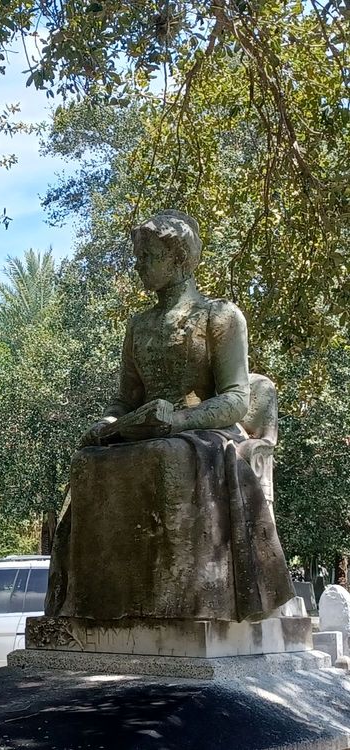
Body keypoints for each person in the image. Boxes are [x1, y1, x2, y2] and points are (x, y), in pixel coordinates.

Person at [45, 210, 294, 622]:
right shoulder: (138, 325)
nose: (138, 265)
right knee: (86, 463)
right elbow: (124, 400)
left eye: (148, 255)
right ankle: (96, 605)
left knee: (166, 456)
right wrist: (109, 424)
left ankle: (174, 604)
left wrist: (178, 421)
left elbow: (235, 399)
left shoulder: (220, 316)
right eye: (138, 256)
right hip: (144, 429)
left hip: (204, 431)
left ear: (178, 259)